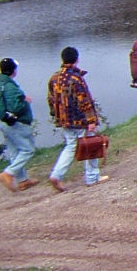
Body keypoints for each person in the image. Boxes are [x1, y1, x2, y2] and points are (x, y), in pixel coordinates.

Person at [47, 46, 108, 191]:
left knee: (70, 147)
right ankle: (92, 177)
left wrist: (56, 116)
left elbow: (50, 99)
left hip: (65, 121)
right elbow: (84, 101)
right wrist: (91, 120)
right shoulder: (76, 78)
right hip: (81, 121)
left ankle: (56, 175)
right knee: (90, 145)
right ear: (77, 59)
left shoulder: (54, 78)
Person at [0, 57, 38, 192]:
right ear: (13, 71)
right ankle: (8, 173)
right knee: (28, 150)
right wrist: (25, 101)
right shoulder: (10, 87)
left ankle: (23, 181)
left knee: (15, 152)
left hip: (4, 123)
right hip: (17, 124)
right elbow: (16, 106)